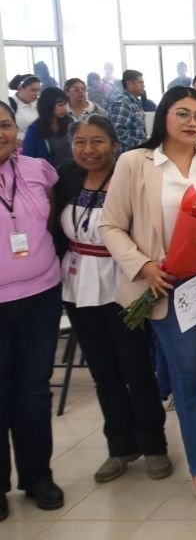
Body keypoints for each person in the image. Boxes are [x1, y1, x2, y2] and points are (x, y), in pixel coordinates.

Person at [99, 87, 196, 509]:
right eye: (181, 113)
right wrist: (143, 266)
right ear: (163, 116)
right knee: (187, 385)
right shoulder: (136, 163)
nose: (191, 122)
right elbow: (110, 226)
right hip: (170, 288)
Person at [55, 117, 172, 484]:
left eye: (98, 141)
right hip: (77, 285)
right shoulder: (66, 179)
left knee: (135, 368)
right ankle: (120, 446)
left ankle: (153, 445)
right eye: (80, 142)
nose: (88, 150)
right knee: (103, 373)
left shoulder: (128, 176)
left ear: (115, 144)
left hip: (123, 283)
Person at [0, 101, 66, 517]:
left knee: (34, 390)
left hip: (41, 295)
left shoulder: (36, 169)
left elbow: (55, 217)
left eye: (4, 125)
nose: (0, 133)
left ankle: (38, 475)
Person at [21, 87, 72, 167]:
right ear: (48, 105)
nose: (65, 109)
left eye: (65, 104)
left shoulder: (70, 122)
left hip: (72, 172)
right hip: (47, 175)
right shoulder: (35, 129)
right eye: (60, 105)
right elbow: (27, 158)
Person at [107, 69, 147, 151]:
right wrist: (139, 144)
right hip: (126, 154)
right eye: (140, 82)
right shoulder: (123, 103)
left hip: (136, 152)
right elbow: (118, 132)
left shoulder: (135, 102)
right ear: (129, 84)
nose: (144, 85)